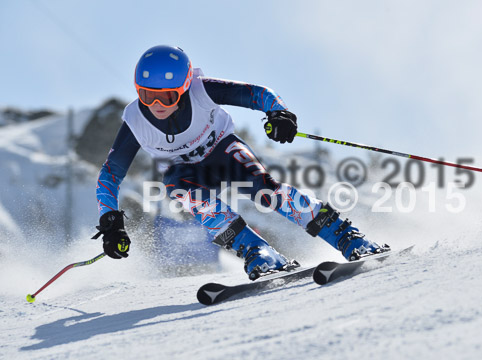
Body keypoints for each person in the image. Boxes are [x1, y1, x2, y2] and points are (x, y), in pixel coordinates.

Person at [93, 45, 389, 280]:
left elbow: (257, 94)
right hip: (186, 171)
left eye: (167, 97)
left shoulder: (202, 90)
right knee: (179, 187)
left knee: (266, 191)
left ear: (184, 87)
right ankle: (257, 251)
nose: (157, 106)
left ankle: (345, 235)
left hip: (222, 152)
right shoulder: (134, 120)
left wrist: (279, 114)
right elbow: (110, 174)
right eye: (147, 96)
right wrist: (110, 223)